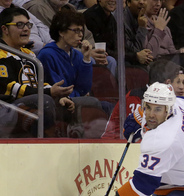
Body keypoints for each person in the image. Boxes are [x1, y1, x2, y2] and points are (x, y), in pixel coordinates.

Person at [0, 7, 74, 137]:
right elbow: (7, 88)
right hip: (8, 108)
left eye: (28, 24)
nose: (26, 29)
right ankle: (48, 145)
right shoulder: (1, 54)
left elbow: (39, 83)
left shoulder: (29, 54)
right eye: (19, 25)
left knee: (88, 104)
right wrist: (48, 93)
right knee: (44, 100)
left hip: (34, 99)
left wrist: (60, 95)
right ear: (4, 29)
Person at [38, 9, 103, 137]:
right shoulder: (47, 55)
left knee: (106, 105)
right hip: (58, 102)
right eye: (75, 30)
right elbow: (59, 89)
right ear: (61, 32)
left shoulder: (77, 54)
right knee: (93, 103)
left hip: (74, 98)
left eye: (81, 31)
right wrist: (80, 95)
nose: (80, 35)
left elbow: (84, 88)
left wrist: (86, 59)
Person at [101, 58, 184, 139]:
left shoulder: (179, 103)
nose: (180, 87)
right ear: (167, 83)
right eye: (176, 82)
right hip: (114, 148)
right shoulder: (135, 98)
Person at [23, 0, 115, 74]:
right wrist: (86, 54)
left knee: (110, 60)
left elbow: (87, 34)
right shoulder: (38, 7)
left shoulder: (70, 8)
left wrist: (93, 50)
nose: (80, 34)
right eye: (76, 31)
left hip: (79, 51)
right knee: (90, 60)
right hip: (62, 52)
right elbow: (57, 41)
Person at [124, 0, 153, 67]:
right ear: (128, 3)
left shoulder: (142, 18)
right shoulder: (122, 21)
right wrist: (142, 28)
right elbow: (135, 50)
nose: (141, 2)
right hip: (125, 63)